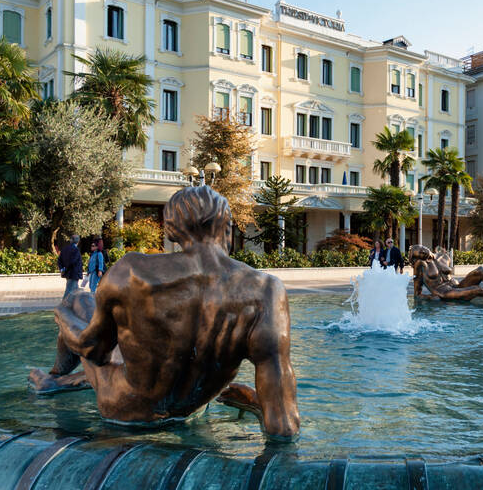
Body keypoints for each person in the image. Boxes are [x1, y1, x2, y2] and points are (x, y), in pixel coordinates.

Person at [30, 186, 300, 440]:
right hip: (191, 409)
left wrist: (60, 316)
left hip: (124, 409)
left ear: (171, 229)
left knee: (77, 301)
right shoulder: (266, 290)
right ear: (226, 225)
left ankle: (52, 379)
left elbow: (93, 350)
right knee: (124, 353)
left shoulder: (131, 271)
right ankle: (60, 380)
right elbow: (283, 419)